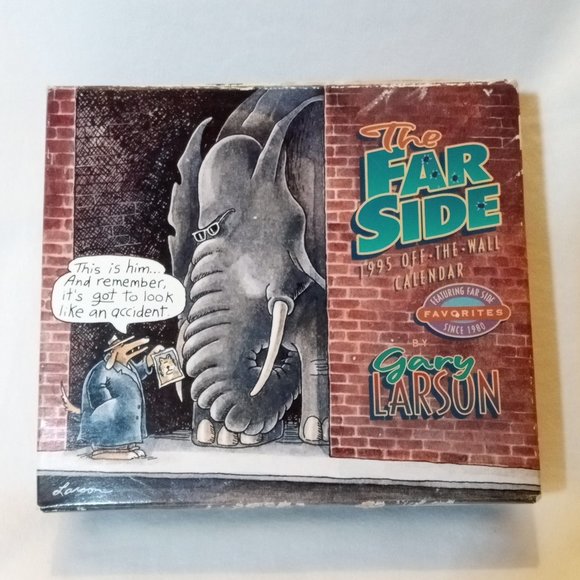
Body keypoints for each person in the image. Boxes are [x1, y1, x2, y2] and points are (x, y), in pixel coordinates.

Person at [77, 335, 164, 460]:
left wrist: (149, 359)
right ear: (113, 352)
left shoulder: (128, 365)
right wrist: (110, 406)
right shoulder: (102, 368)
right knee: (113, 434)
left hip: (125, 417)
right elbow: (96, 389)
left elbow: (136, 375)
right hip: (111, 419)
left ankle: (125, 446)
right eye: (123, 346)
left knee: (125, 432)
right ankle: (106, 450)